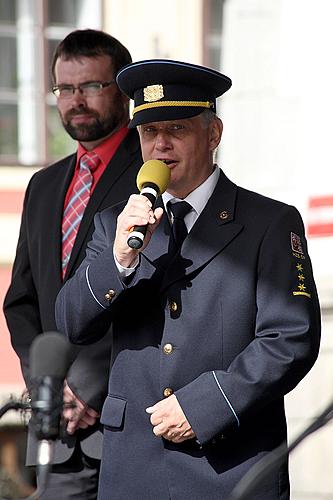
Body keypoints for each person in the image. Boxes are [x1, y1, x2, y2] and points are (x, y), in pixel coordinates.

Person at [55, 59, 321, 500]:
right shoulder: (114, 225)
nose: (160, 146)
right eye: (148, 132)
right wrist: (120, 258)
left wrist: (207, 406)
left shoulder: (270, 222)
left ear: (213, 134)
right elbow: (70, 323)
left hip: (230, 467)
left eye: (176, 129)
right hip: (132, 468)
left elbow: (290, 338)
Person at [3, 29, 142, 499]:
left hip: (133, 423)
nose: (75, 101)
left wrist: (86, 388)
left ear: (122, 90)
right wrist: (49, 384)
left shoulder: (155, 169)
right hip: (62, 432)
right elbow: (21, 301)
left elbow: (156, 296)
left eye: (90, 87)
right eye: (65, 89)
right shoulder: (43, 186)